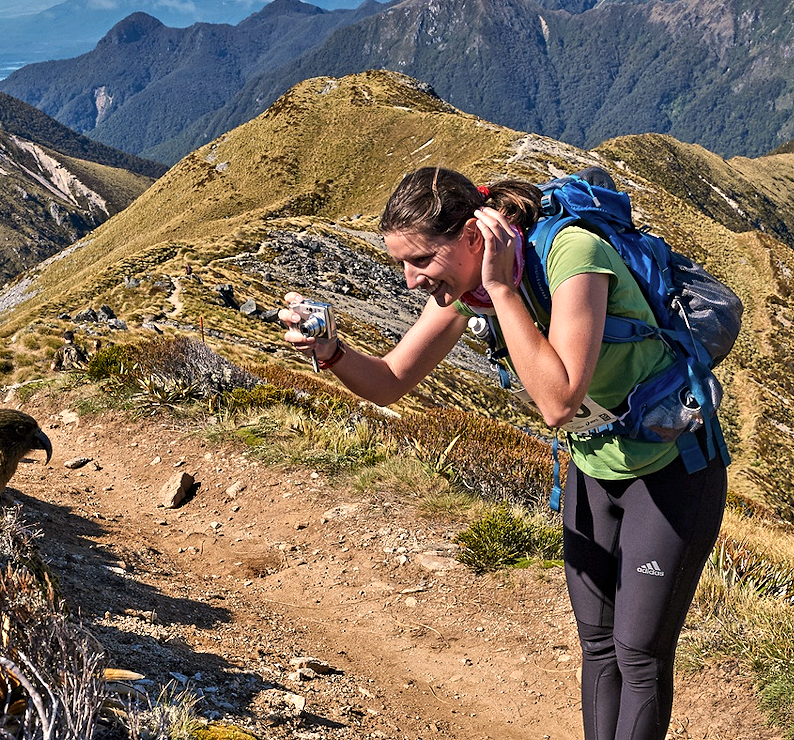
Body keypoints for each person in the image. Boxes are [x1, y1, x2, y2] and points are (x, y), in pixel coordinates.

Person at [280, 166, 727, 740]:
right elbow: (392, 379)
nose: (412, 281)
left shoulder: (571, 254)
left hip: (672, 469)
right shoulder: (469, 290)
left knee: (638, 652)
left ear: (473, 238)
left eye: (421, 261)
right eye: (401, 265)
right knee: (597, 645)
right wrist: (332, 350)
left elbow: (559, 401)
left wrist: (502, 291)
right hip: (594, 467)